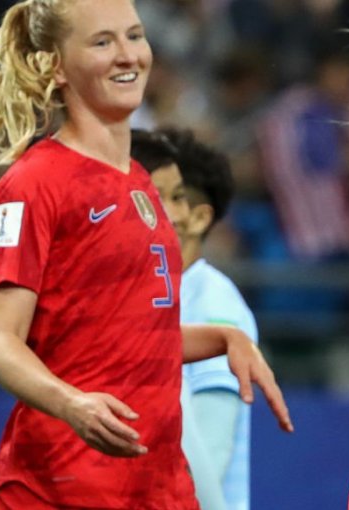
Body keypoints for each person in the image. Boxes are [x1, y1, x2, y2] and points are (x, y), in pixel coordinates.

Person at [0, 1, 291, 508]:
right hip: (56, 488)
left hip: (155, 489)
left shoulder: (143, 183)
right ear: (56, 66)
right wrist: (71, 403)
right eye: (102, 42)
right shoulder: (30, 185)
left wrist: (223, 337)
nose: (128, 56)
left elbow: (125, 338)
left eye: (135, 36)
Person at [131, 128, 256, 510]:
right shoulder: (143, 296)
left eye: (173, 196)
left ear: (198, 217)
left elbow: (208, 458)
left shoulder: (215, 304)